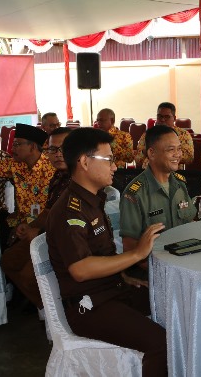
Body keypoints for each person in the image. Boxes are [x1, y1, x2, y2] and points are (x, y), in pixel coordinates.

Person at [47, 128, 167, 376]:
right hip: (89, 307)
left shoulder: (93, 199)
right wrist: (135, 254)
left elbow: (101, 253)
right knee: (160, 342)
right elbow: (80, 270)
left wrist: (123, 276)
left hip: (111, 291)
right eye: (109, 159)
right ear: (84, 162)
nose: (115, 166)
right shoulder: (71, 211)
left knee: (173, 303)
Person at [0, 127, 72, 314]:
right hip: (43, 230)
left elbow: (72, 222)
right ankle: (48, 308)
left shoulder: (80, 176)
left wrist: (39, 233)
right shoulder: (58, 176)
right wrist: (29, 227)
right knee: (8, 260)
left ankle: (60, 313)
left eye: (64, 148)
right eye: (52, 149)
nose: (57, 155)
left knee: (28, 275)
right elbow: (49, 211)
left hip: (69, 239)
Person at [120, 125, 196, 279]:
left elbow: (190, 224)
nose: (178, 155)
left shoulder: (180, 184)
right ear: (152, 153)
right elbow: (130, 248)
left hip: (185, 265)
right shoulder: (135, 193)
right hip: (155, 272)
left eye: (179, 149)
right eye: (171, 150)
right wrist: (165, 273)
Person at [0, 123, 55, 241]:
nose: (12, 149)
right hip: (19, 222)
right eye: (13, 144)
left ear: (32, 147)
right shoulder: (15, 166)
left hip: (44, 225)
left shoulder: (52, 168)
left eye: (17, 144)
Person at [135, 102, 194, 168]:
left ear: (174, 118)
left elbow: (189, 158)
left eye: (167, 117)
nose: (162, 120)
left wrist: (166, 154)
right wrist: (145, 152)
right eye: (160, 116)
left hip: (173, 172)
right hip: (149, 172)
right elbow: (137, 159)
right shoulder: (148, 134)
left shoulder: (183, 135)